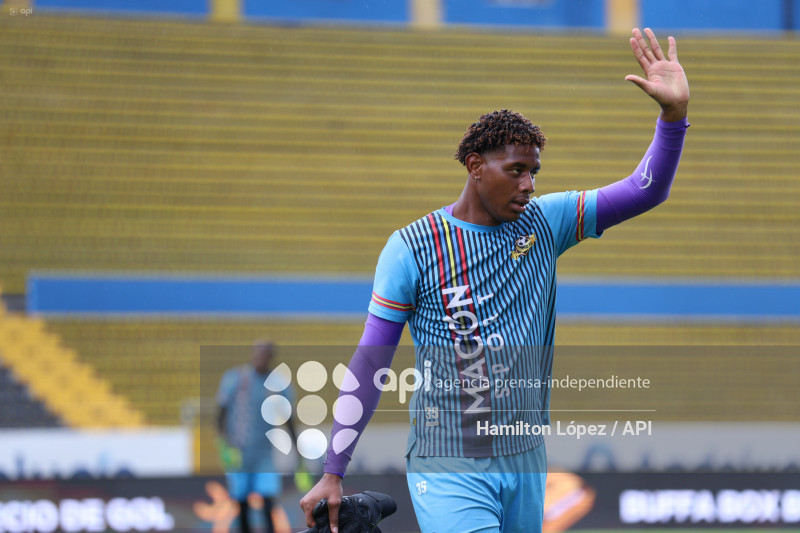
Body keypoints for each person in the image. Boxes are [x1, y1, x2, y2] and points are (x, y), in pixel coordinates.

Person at [300, 28, 690, 533]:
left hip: (526, 459)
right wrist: (333, 471)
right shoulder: (412, 247)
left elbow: (646, 190)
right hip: (448, 459)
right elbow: (371, 361)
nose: (529, 185)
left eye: (535, 172)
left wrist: (673, 117)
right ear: (476, 166)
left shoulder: (545, 222)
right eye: (516, 170)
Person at [217, 340, 297, 533]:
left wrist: (298, 450)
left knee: (268, 502)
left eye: (264, 354)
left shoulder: (278, 384)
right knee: (241, 503)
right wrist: (223, 446)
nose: (260, 358)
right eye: (257, 353)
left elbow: (289, 419)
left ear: (271, 357)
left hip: (264, 454)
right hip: (239, 452)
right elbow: (220, 415)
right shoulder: (235, 379)